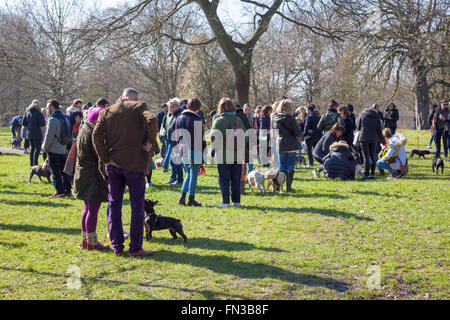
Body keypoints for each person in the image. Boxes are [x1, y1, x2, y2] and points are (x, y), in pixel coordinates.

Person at [92, 88, 158, 257]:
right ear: (135, 98)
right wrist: (150, 142)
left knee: (114, 204)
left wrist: (104, 157)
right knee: (137, 205)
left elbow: (96, 135)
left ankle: (116, 246)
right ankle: (135, 248)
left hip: (113, 163)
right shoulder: (139, 107)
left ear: (121, 97)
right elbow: (152, 119)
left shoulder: (107, 111)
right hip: (135, 164)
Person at [74, 107, 109, 251]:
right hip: (92, 174)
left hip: (82, 173)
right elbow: (100, 154)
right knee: (93, 209)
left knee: (87, 207)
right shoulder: (93, 132)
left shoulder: (84, 128)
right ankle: (92, 243)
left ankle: (85, 240)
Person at [211, 97, 247, 208]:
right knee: (236, 179)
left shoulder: (218, 121)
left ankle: (225, 202)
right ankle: (236, 202)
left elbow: (213, 138)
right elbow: (245, 137)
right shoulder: (238, 120)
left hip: (223, 155)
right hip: (237, 155)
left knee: (224, 179)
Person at [175, 98, 205, 207]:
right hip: (194, 150)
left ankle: (182, 197)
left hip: (182, 149)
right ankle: (191, 198)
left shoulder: (179, 119)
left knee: (189, 173)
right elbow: (200, 139)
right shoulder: (197, 119)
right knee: (194, 175)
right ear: (198, 108)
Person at [42, 100, 72, 198]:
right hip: (63, 149)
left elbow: (49, 136)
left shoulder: (52, 119)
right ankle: (68, 190)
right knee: (64, 171)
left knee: (55, 172)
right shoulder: (65, 118)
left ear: (52, 107)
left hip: (53, 150)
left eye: (47, 108)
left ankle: (59, 191)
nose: (47, 110)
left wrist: (44, 148)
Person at [272, 99, 302, 192]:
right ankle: (288, 187)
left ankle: (279, 185)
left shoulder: (275, 118)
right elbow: (297, 132)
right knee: (290, 166)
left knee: (281, 167)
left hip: (280, 144)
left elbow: (274, 133)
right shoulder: (290, 118)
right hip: (291, 144)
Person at [356, 107, 386, 180]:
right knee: (372, 156)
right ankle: (372, 173)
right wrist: (384, 142)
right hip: (373, 139)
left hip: (363, 138)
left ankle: (366, 173)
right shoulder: (377, 117)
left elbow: (358, 127)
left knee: (366, 156)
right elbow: (379, 131)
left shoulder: (362, 115)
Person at [22, 100, 46, 166]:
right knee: (37, 149)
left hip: (29, 134)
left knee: (32, 148)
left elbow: (24, 123)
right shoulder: (38, 113)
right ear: (38, 107)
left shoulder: (27, 112)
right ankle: (35, 163)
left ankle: (31, 163)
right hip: (37, 133)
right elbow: (42, 123)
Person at [166, 98, 184, 185]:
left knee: (176, 161)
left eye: (170, 107)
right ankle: (173, 178)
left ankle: (179, 180)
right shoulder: (176, 114)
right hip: (173, 142)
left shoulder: (180, 114)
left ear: (175, 106)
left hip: (177, 142)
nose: (169, 109)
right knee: (172, 161)